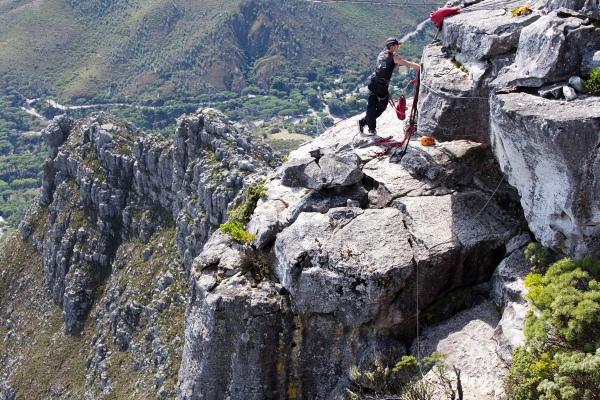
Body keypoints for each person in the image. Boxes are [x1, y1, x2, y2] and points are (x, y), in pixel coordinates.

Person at [358, 37, 420, 136]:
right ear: (391, 46)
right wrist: (420, 66)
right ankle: (365, 122)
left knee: (371, 105)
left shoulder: (381, 54)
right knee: (381, 107)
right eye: (396, 45)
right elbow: (408, 64)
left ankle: (370, 128)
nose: (398, 46)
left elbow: (390, 68)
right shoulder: (393, 58)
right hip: (381, 85)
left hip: (373, 81)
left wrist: (396, 62)